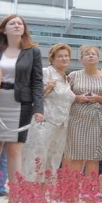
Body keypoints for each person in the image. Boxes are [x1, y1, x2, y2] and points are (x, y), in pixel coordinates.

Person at [0, 13, 44, 203]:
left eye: (20, 23)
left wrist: (39, 107)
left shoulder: (32, 52)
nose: (17, 25)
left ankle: (15, 199)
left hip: (21, 105)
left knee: (14, 150)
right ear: (4, 28)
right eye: (13, 23)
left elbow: (37, 82)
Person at [23, 43, 74, 182]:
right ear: (52, 59)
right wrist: (47, 87)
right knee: (38, 156)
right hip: (44, 123)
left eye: (66, 56)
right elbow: (35, 95)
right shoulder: (46, 72)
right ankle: (30, 190)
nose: (64, 59)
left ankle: (46, 193)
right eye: (60, 56)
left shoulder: (67, 78)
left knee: (54, 158)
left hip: (61, 126)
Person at [64, 46, 102, 182]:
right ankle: (72, 190)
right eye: (87, 54)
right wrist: (77, 97)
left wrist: (97, 98)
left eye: (93, 54)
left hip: (97, 120)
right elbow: (65, 96)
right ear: (81, 59)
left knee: (93, 157)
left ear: (98, 58)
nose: (90, 56)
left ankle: (90, 191)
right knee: (76, 156)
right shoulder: (73, 76)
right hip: (76, 119)